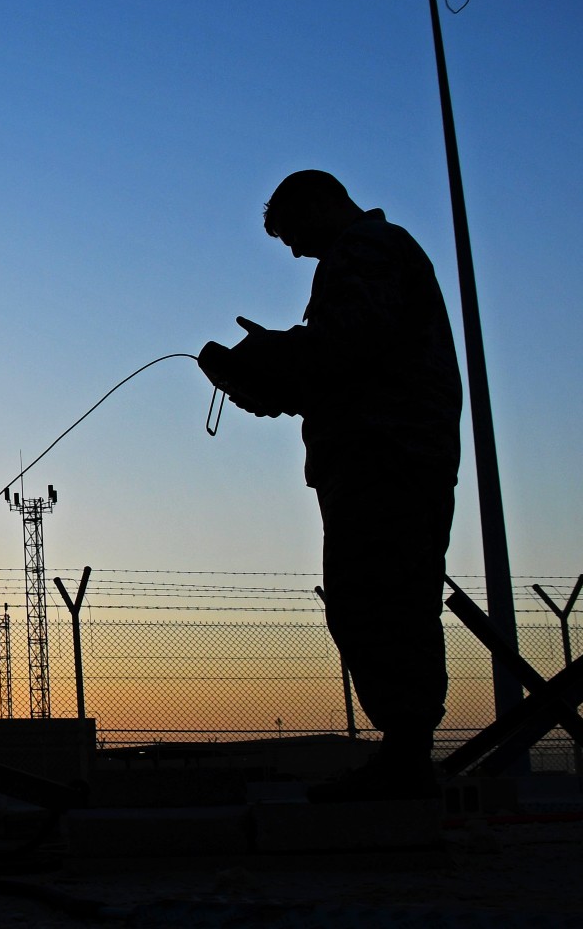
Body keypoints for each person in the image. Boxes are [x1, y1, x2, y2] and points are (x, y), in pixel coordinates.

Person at [199, 169, 461, 802]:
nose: (291, 250)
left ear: (320, 203)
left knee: (379, 597)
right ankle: (405, 756)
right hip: (382, 452)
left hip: (385, 454)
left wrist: (270, 359)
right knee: (380, 596)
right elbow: (341, 367)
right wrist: (271, 382)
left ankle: (404, 760)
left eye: (291, 232)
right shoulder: (366, 255)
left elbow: (348, 347)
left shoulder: (366, 250)